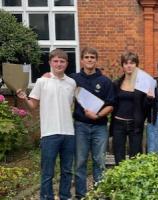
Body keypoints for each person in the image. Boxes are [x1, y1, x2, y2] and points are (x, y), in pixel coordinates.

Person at [16, 49, 76, 200]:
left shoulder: (72, 83)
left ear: (67, 64)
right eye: (55, 61)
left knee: (67, 170)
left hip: (69, 133)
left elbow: (71, 105)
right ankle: (46, 197)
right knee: (47, 172)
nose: (59, 64)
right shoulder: (42, 81)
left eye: (62, 61)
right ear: (50, 62)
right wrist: (24, 98)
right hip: (49, 133)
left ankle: (65, 196)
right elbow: (33, 105)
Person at [71, 47, 115, 199]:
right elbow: (59, 82)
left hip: (100, 127)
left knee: (99, 161)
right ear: (82, 60)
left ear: (96, 60)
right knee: (80, 162)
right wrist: (47, 75)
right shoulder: (73, 79)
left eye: (92, 57)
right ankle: (81, 195)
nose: (89, 60)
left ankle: (99, 194)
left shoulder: (105, 81)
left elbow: (110, 104)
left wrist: (97, 115)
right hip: (80, 126)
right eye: (87, 57)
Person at [110, 51, 150, 165]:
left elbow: (146, 108)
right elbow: (112, 103)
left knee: (135, 157)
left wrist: (149, 99)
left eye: (132, 63)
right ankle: (120, 182)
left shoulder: (142, 84)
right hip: (118, 123)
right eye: (126, 63)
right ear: (122, 66)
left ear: (136, 65)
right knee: (119, 156)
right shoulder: (117, 83)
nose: (129, 65)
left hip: (135, 124)